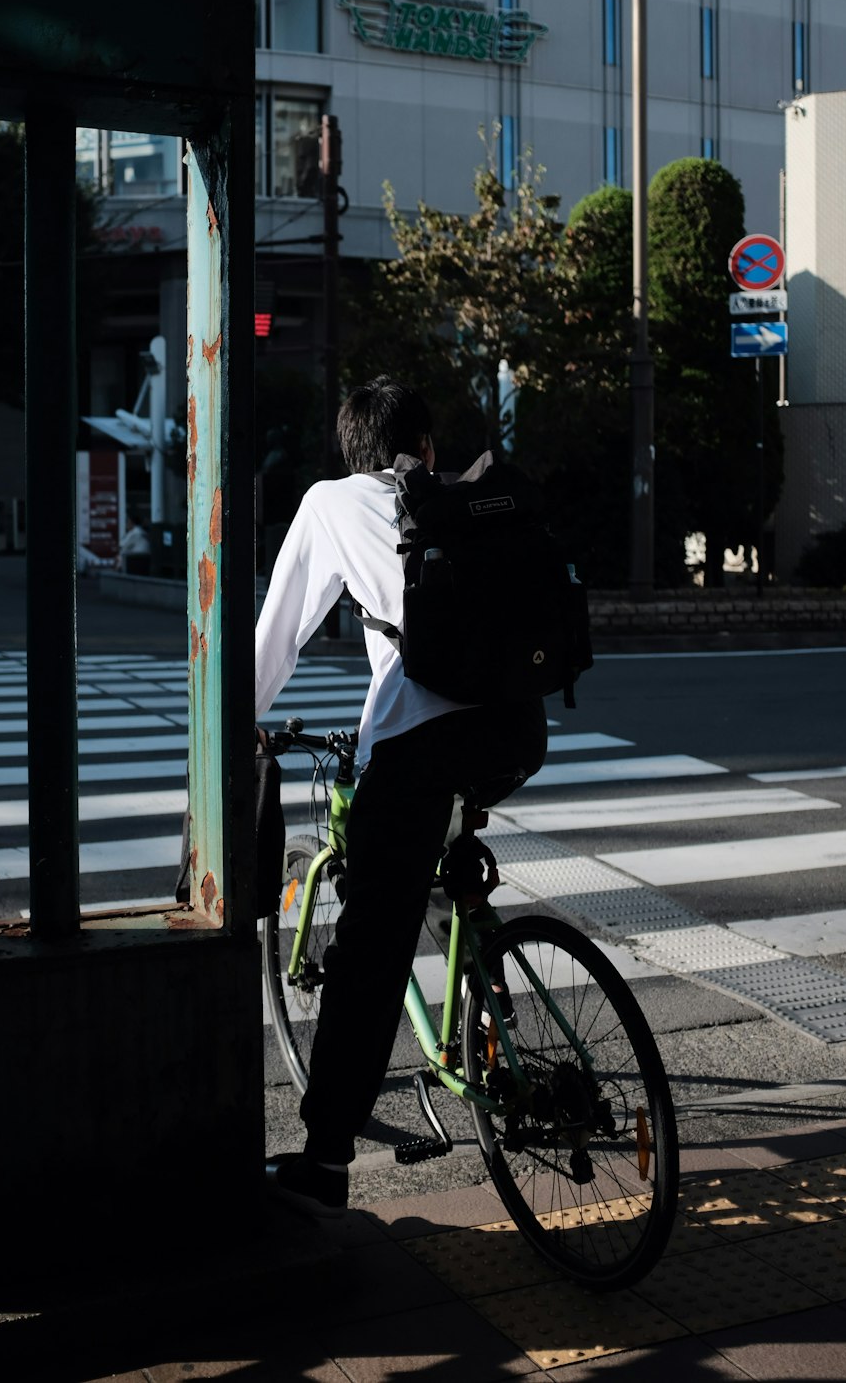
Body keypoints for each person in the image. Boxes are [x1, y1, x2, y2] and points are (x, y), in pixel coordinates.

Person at [256, 376, 548, 1218]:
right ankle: (484, 1007)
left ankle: (325, 1157)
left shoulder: (330, 503)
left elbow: (277, 636)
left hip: (420, 743)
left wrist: (237, 724)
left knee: (370, 952)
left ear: (352, 454)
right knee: (441, 851)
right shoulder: (460, 497)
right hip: (516, 731)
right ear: (422, 448)